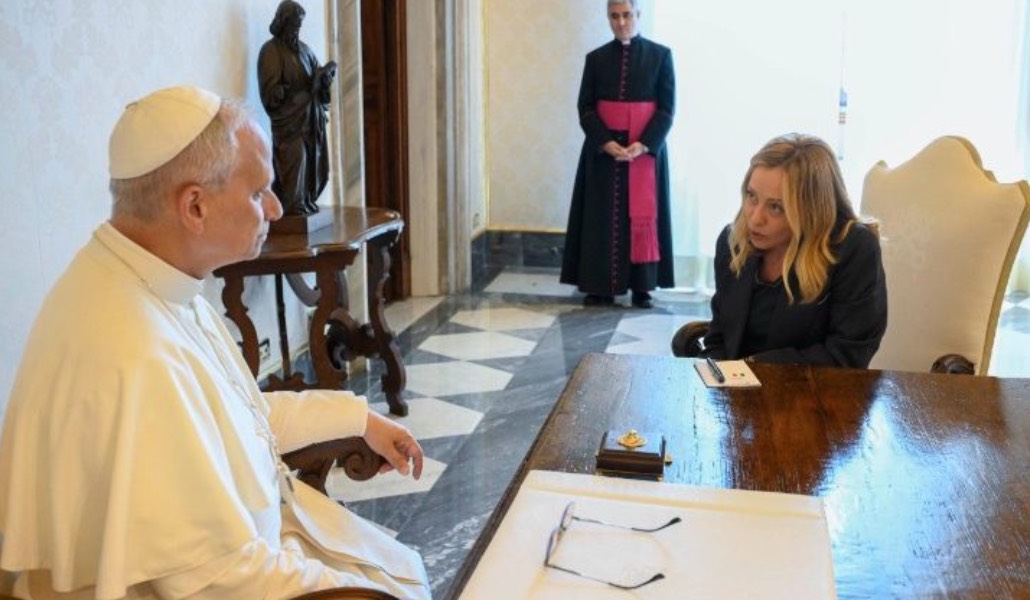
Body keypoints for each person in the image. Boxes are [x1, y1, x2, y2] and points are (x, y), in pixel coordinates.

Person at [0, 86, 430, 599]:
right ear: (195, 206)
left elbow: (239, 419)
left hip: (253, 546)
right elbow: (222, 580)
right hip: (223, 581)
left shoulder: (150, 277)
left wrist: (359, 420)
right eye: (258, 192)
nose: (275, 209)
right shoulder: (135, 352)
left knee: (403, 567)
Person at [689, 133, 887, 368]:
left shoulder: (853, 248)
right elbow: (719, 339)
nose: (755, 219)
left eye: (776, 207)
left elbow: (847, 354)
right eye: (752, 196)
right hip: (735, 386)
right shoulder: (733, 242)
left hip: (813, 388)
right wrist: (715, 375)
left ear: (812, 211)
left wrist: (752, 368)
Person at [560, 0, 676, 309]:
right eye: (614, 16)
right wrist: (605, 142)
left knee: (642, 217)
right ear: (608, 18)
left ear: (638, 15)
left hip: (644, 153)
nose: (621, 22)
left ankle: (642, 287)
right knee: (601, 218)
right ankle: (600, 287)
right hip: (603, 153)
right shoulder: (596, 59)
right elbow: (586, 108)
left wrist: (644, 144)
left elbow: (667, 110)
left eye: (626, 15)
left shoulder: (661, 56)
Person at [258, 0, 336, 216]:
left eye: (299, 26)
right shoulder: (271, 51)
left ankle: (306, 199)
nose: (296, 30)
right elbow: (270, 94)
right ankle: (294, 204)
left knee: (312, 162)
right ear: (283, 23)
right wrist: (292, 91)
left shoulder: (305, 50)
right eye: (293, 25)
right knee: (295, 159)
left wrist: (324, 80)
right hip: (290, 122)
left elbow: (318, 81)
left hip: (311, 119)